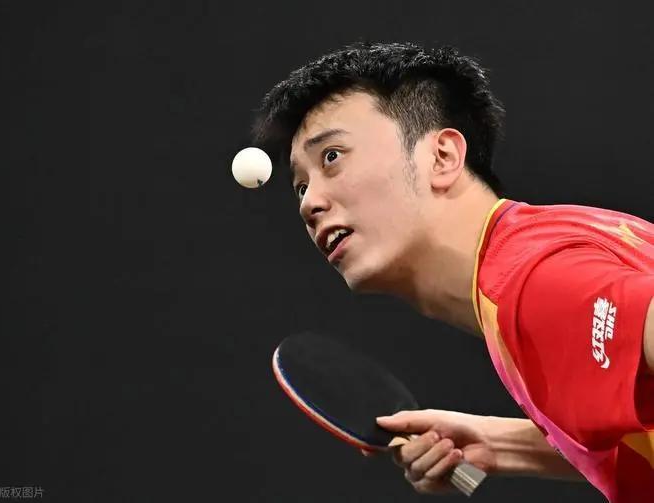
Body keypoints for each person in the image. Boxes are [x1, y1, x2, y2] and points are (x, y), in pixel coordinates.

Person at [251, 41, 654, 502]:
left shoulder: (529, 284)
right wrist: (499, 446)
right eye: (300, 186)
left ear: (441, 157)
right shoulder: (544, 236)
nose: (309, 203)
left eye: (332, 157)